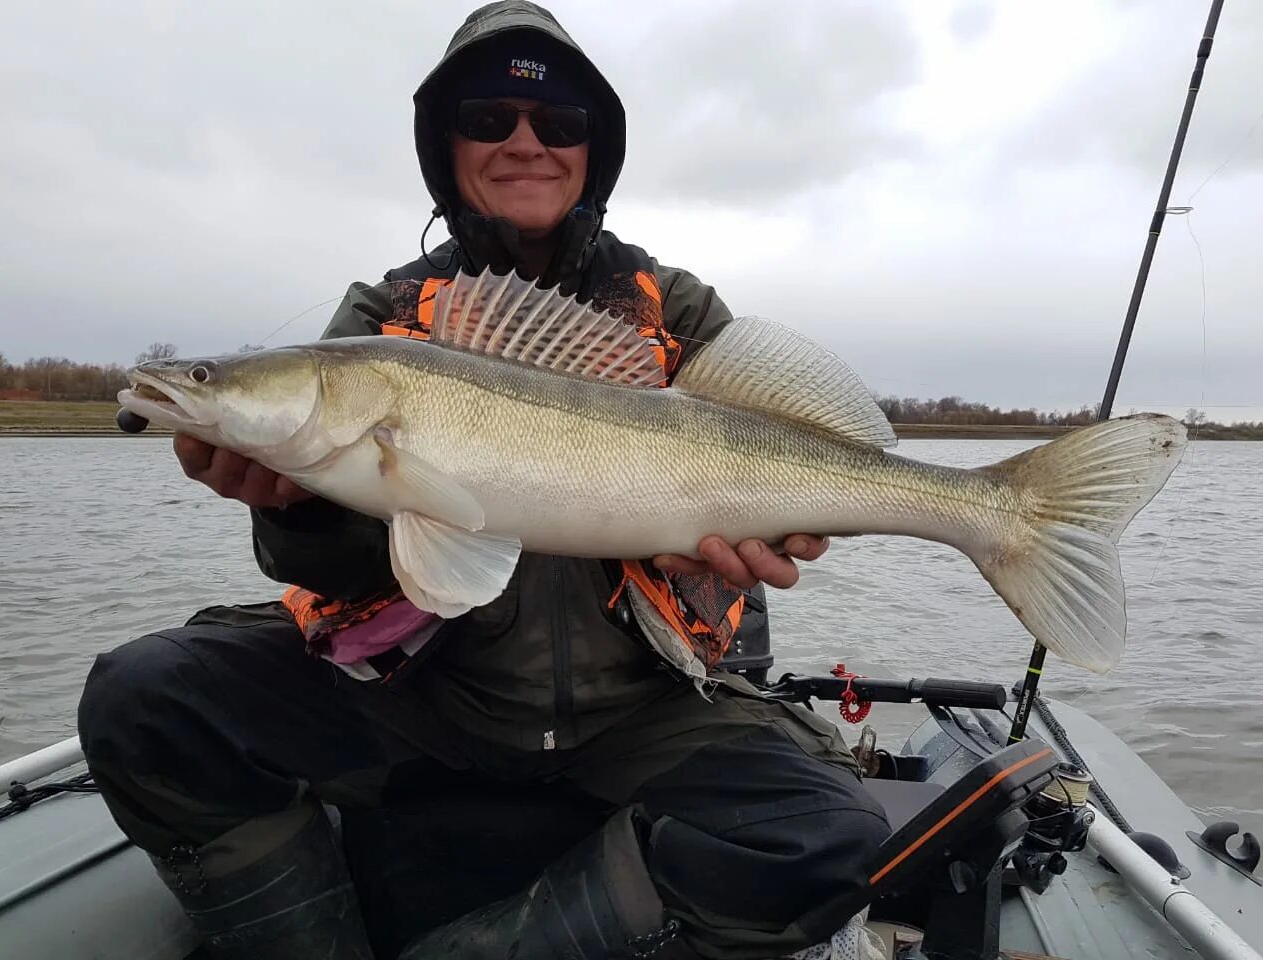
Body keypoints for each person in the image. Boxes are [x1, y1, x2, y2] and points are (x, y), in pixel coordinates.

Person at [77, 2, 890, 958]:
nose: (525, 143)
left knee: (831, 836)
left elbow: (758, 459)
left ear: (597, 151)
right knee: (145, 698)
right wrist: (292, 508)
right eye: (487, 119)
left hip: (639, 709)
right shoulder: (381, 320)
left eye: (560, 123)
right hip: (426, 701)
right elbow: (338, 571)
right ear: (443, 145)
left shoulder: (674, 310)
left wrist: (762, 541)